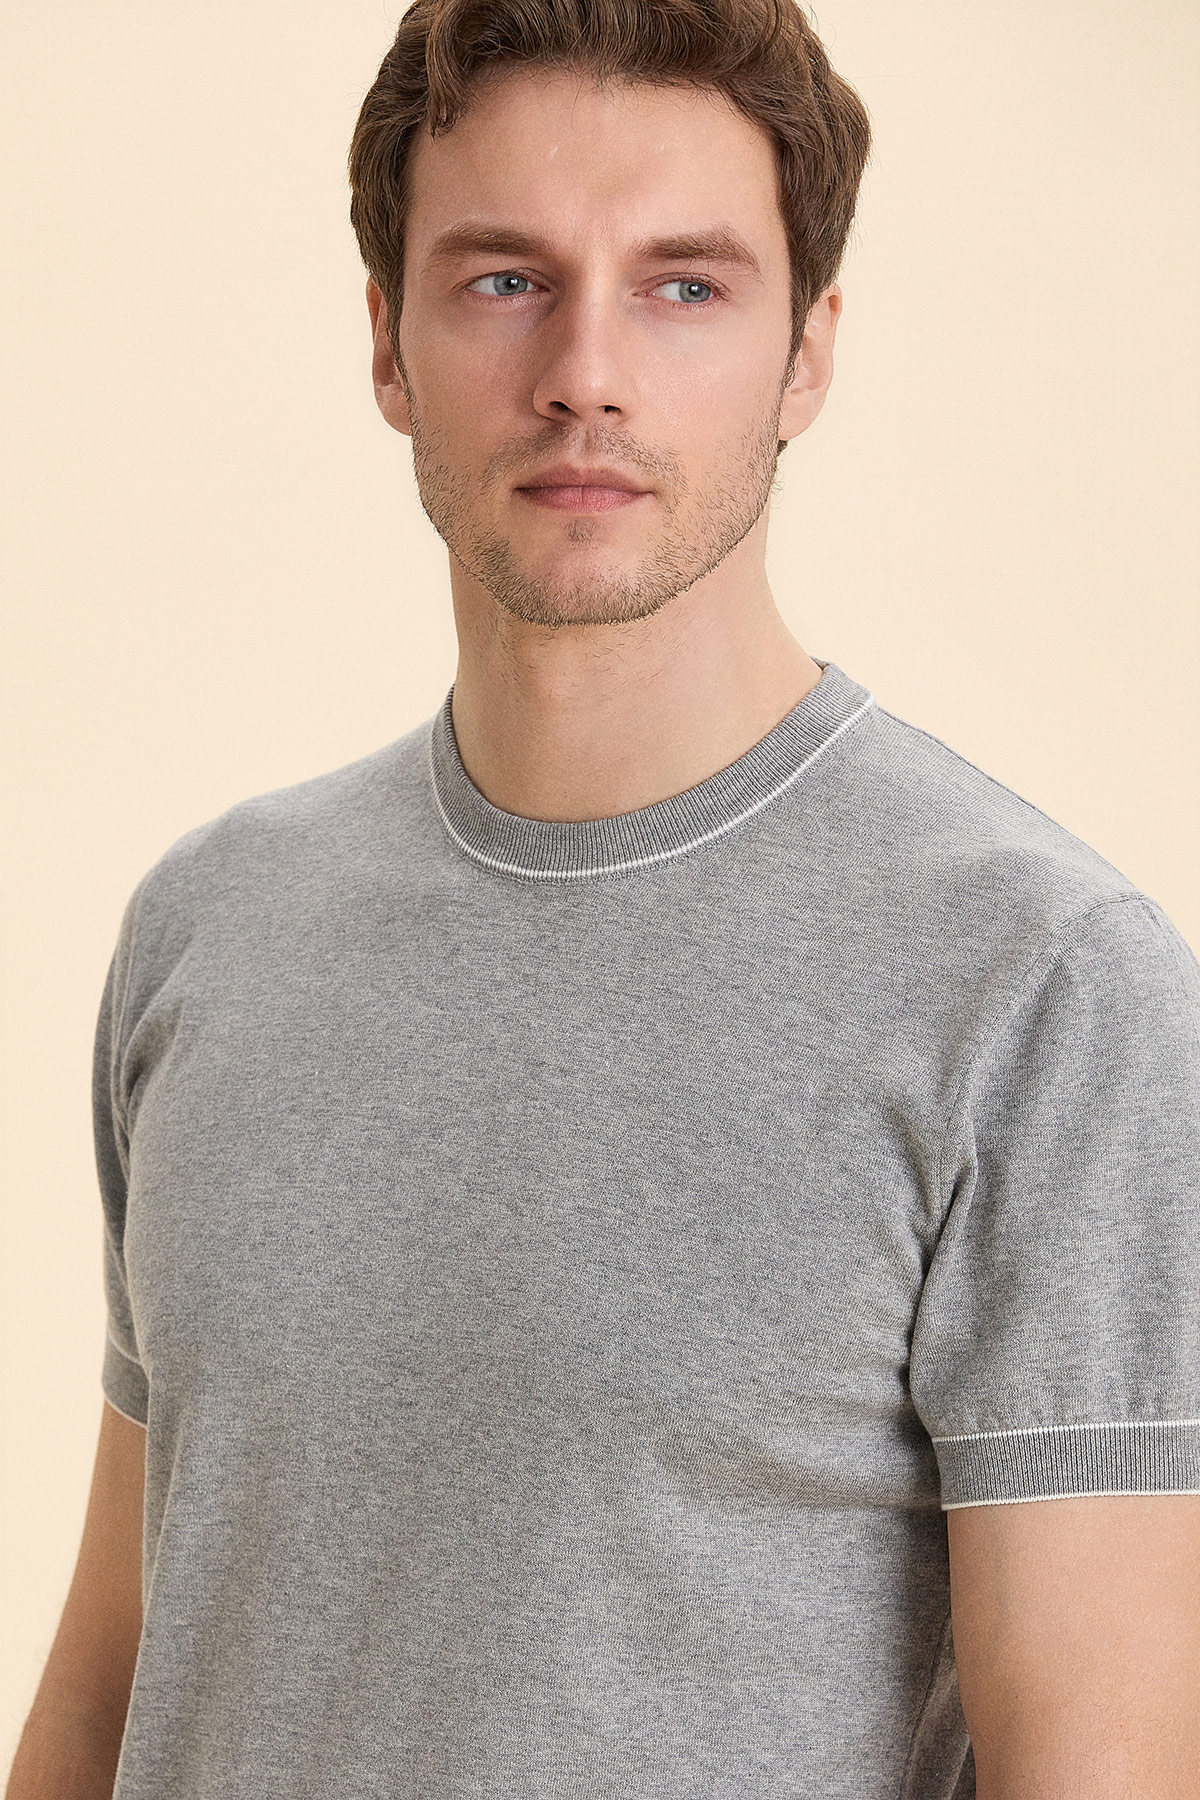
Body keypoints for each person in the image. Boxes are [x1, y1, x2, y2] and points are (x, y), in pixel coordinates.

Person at [9, 1, 1200, 1796]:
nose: (586, 370)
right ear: (389, 341)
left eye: (683, 286)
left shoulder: (1043, 987)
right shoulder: (210, 928)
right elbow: (114, 1682)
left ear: (807, 355)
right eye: (505, 280)